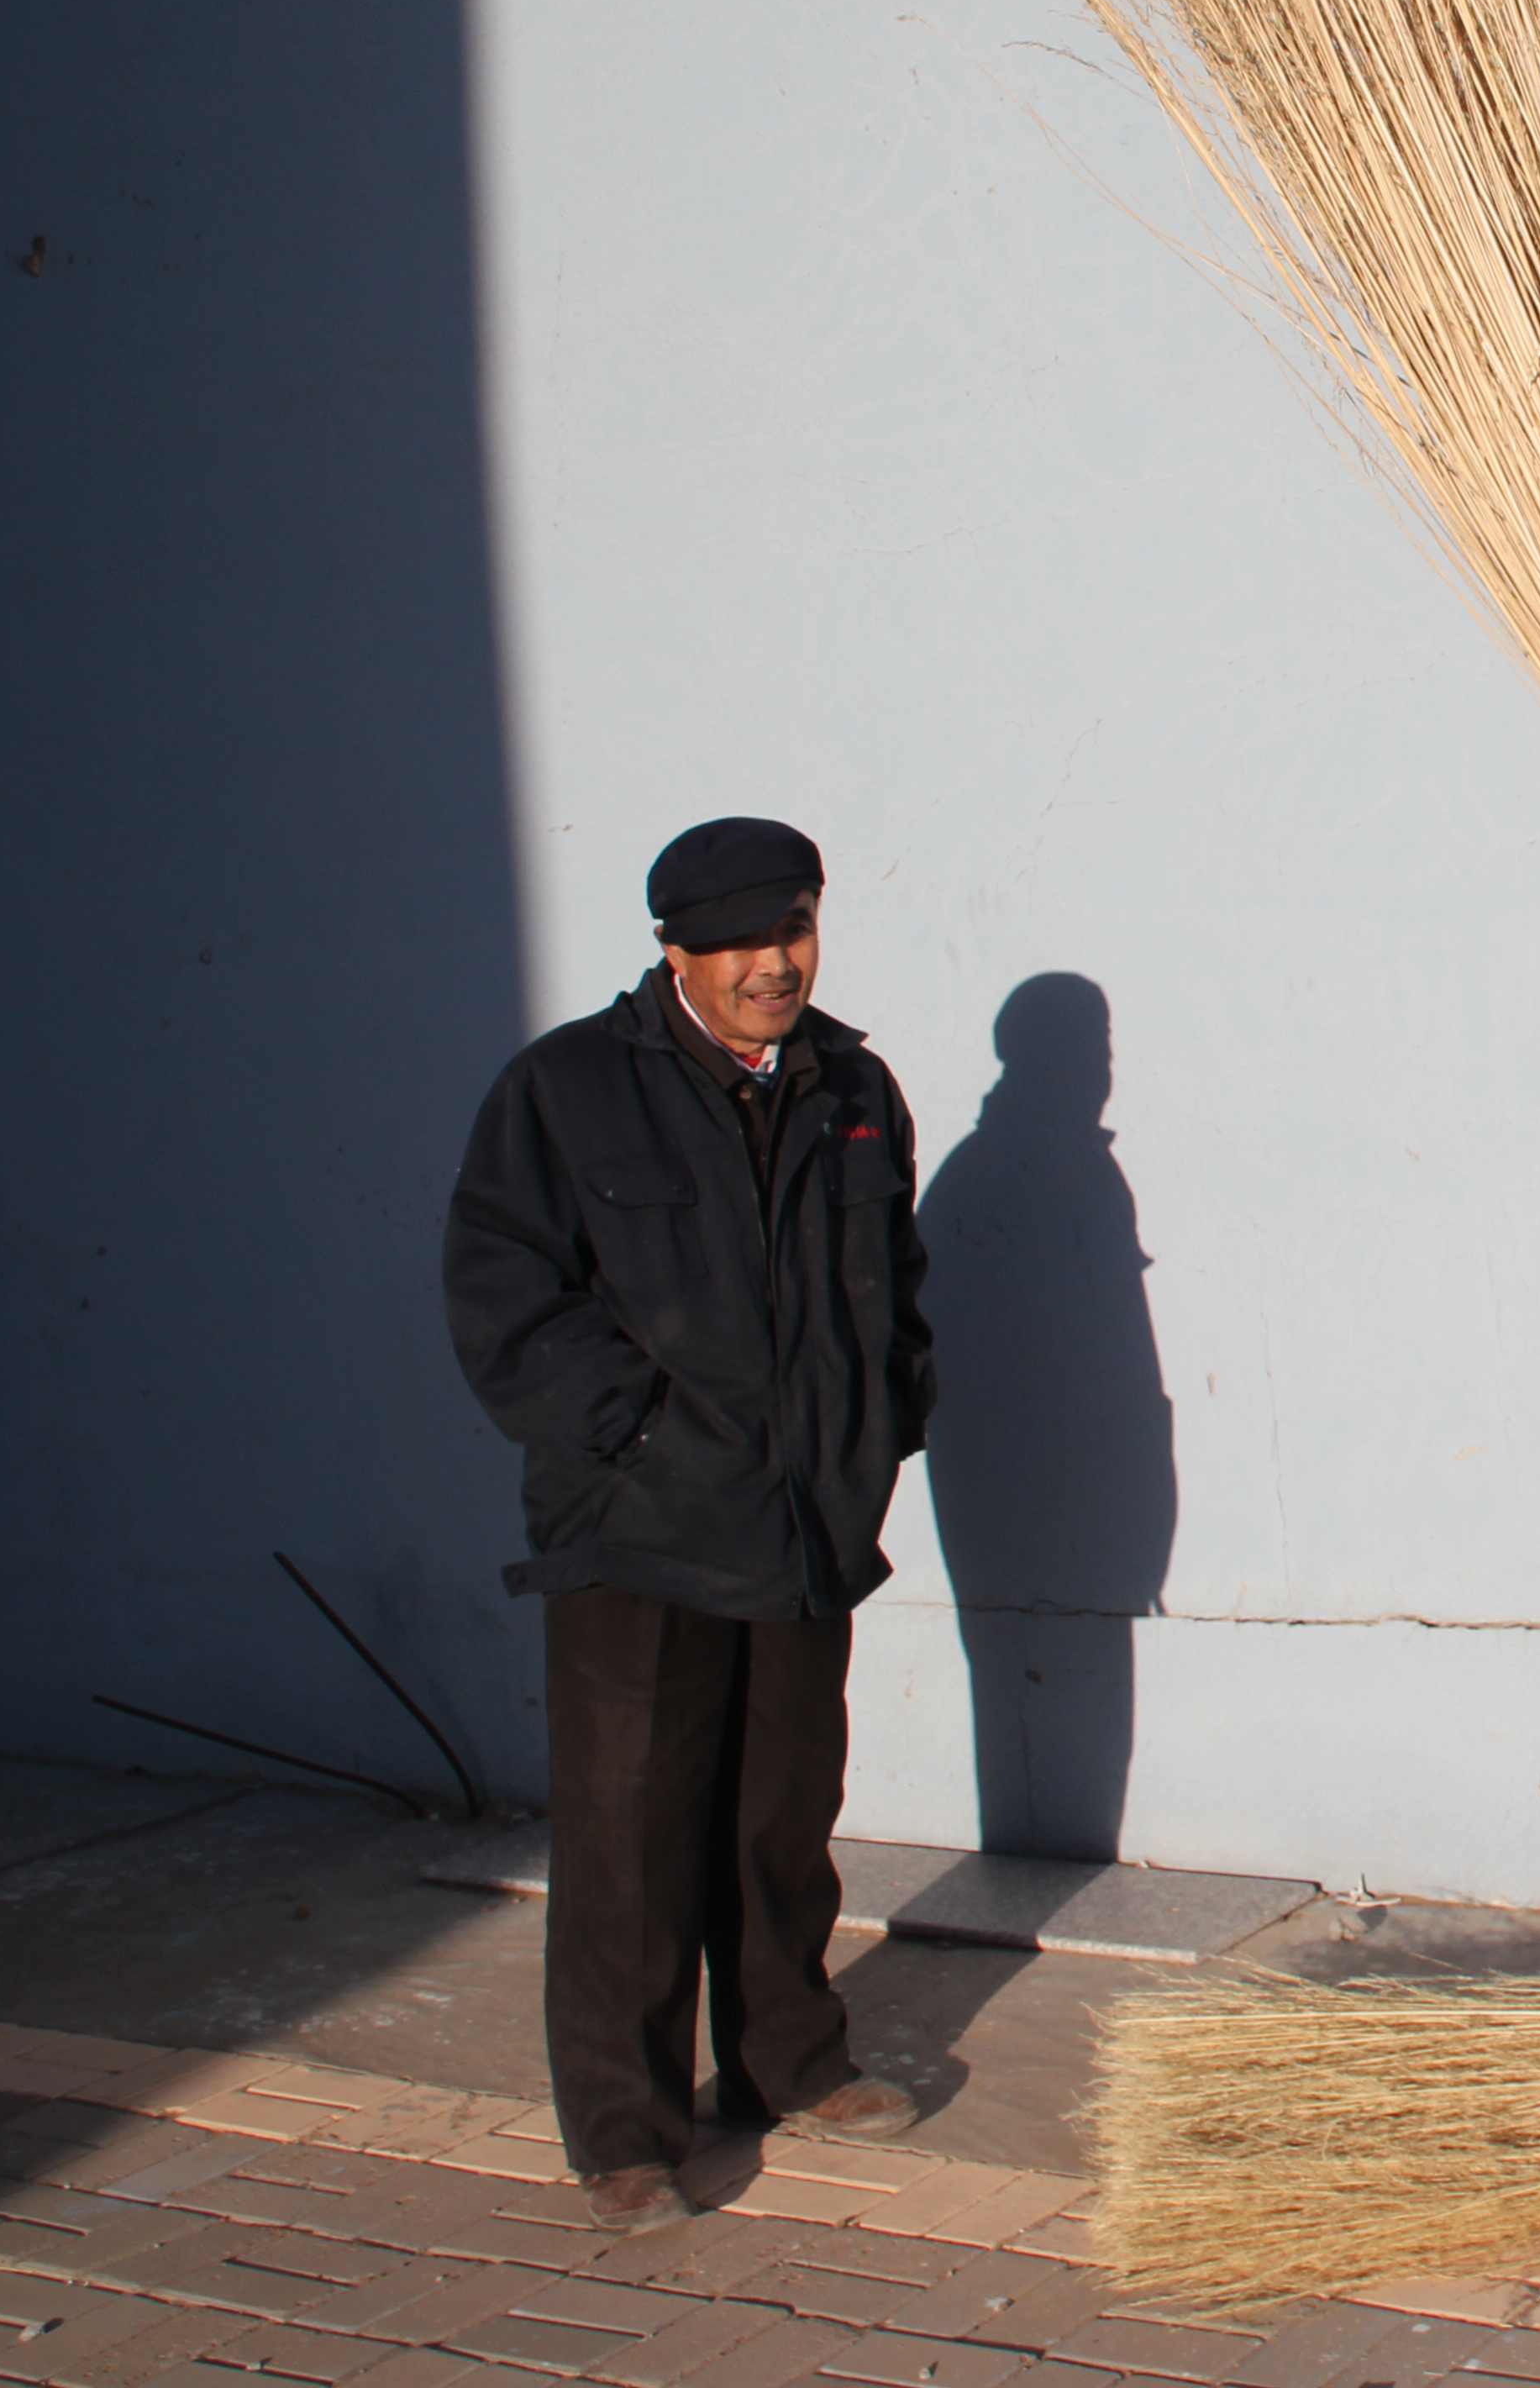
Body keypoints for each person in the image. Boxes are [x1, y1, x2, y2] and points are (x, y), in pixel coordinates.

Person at [444, 817, 940, 2233]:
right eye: (737, 942)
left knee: (783, 1819)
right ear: (674, 950)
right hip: (641, 1530)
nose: (772, 964)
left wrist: (875, 1435)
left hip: (800, 1524)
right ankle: (627, 2128)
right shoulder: (567, 1092)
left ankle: (787, 2063)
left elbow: (895, 1288)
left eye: (792, 931)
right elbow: (504, 1297)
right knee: (632, 1838)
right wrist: (639, 1436)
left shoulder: (851, 1087)